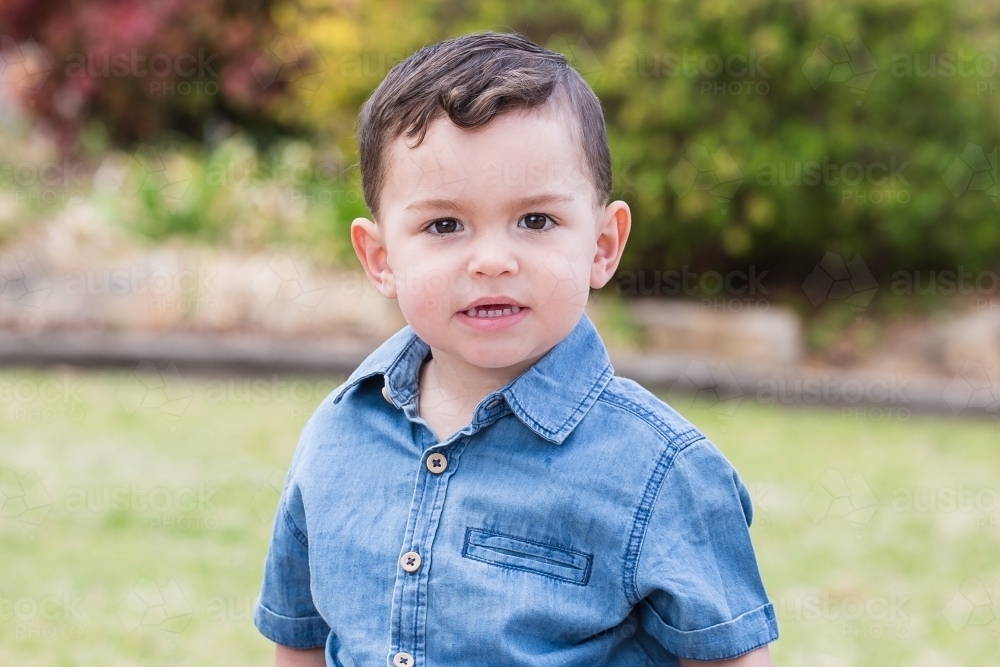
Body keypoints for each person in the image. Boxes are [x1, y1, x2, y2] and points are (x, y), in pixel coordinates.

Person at [253, 30, 778, 667]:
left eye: (535, 220)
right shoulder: (338, 435)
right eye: (444, 225)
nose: (493, 261)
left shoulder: (662, 472)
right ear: (381, 258)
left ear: (603, 245)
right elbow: (301, 640)